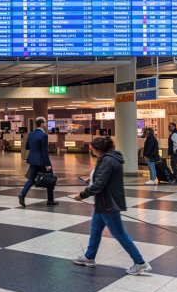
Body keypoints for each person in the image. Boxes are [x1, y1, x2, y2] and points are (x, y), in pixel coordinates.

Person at [73, 137, 153, 276]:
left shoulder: (107, 160)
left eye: (92, 148)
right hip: (104, 201)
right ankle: (89, 257)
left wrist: (82, 195)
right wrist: (91, 179)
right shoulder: (109, 158)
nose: (91, 151)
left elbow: (99, 185)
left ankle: (140, 263)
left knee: (119, 233)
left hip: (108, 203)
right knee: (96, 229)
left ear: (97, 149)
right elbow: (102, 178)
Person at [19, 117, 57, 207]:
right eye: (45, 122)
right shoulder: (44, 135)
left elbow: (27, 147)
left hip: (32, 160)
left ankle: (22, 194)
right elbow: (44, 151)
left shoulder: (31, 134)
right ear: (41, 124)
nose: (46, 124)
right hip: (42, 161)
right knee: (50, 179)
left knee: (31, 179)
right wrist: (47, 164)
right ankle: (50, 200)